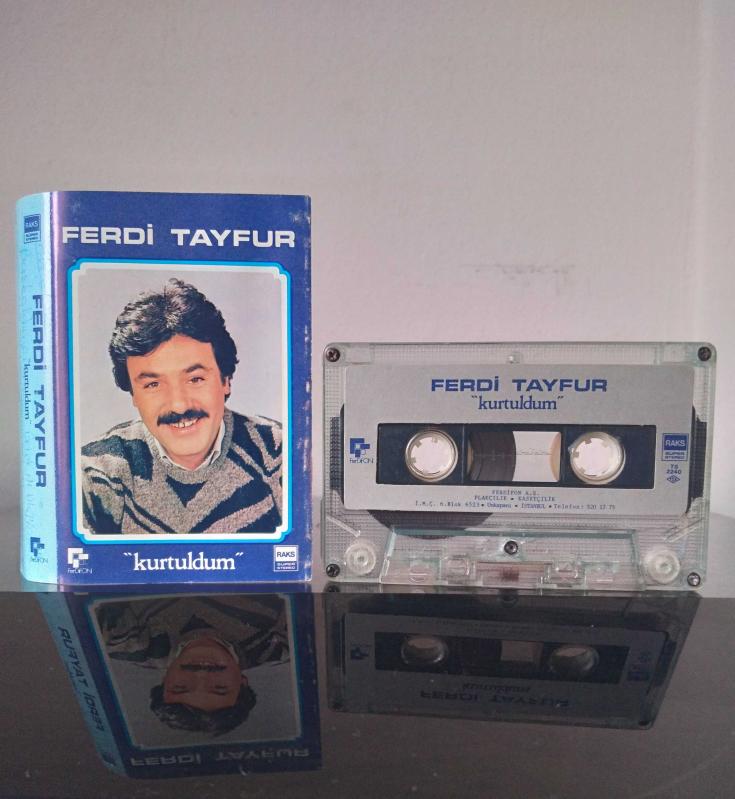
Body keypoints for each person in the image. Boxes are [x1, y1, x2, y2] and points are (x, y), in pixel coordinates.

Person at [81, 278, 282, 534]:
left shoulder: (279, 454)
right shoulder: (96, 474)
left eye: (195, 379)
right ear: (133, 394)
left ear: (225, 380)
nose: (178, 405)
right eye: (153, 385)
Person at [95, 595, 289, 735]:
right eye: (219, 687)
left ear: (165, 680)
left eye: (181, 687)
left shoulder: (129, 643)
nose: (201, 674)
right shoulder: (281, 643)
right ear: (243, 683)